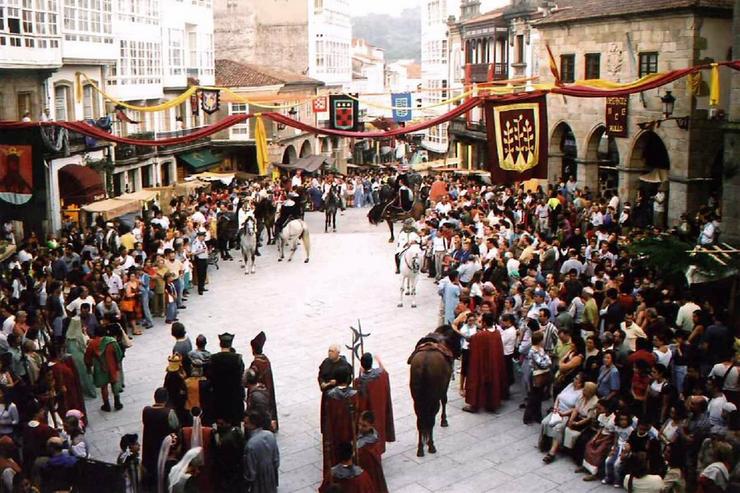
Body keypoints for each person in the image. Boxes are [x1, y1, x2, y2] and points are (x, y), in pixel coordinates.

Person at [463, 312, 508, 413]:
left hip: (482, 364)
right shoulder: (496, 333)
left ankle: (474, 404)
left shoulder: (480, 335)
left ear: (483, 322)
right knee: (494, 381)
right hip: (494, 364)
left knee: (476, 379)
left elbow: (471, 342)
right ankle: (492, 404)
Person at [320, 365, 358, 477]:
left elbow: (327, 418)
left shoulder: (330, 396)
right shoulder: (355, 395)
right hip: (350, 433)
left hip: (335, 433)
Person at [354, 353, 395, 452]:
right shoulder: (382, 375)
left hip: (368, 414)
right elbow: (384, 372)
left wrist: (360, 375)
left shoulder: (360, 382)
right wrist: (379, 361)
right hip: (380, 409)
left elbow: (359, 400)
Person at [141, 388, 179, 489]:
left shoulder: (146, 410)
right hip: (164, 448)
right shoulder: (169, 413)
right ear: (166, 399)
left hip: (149, 446)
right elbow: (175, 427)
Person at [206, 333, 245, 425]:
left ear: (220, 344)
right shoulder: (238, 359)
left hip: (218, 395)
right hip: (234, 395)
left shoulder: (213, 358)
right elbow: (241, 375)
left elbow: (209, 375)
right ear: (230, 344)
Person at [84, 324, 124, 412]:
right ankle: (117, 403)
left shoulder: (92, 344)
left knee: (104, 387)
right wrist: (117, 363)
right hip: (112, 365)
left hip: (100, 368)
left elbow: (87, 357)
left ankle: (106, 405)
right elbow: (119, 354)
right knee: (114, 383)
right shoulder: (112, 341)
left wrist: (89, 366)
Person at [242, 409, 279, 493]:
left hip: (258, 479)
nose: (244, 425)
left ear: (253, 425)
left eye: (246, 423)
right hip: (270, 475)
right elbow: (276, 458)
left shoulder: (250, 445)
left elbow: (251, 471)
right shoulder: (270, 435)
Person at [248, 331, 278, 431]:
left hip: (259, 392)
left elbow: (250, 378)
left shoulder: (256, 363)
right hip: (267, 391)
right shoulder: (265, 360)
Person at [356, 411, 388, 493]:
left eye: (364, 426)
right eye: (359, 424)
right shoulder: (361, 434)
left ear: (371, 425)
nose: (360, 427)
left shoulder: (369, 443)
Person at [191, 230, 209, 296]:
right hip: (199, 260)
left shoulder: (202, 242)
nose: (204, 238)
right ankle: (200, 289)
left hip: (204, 259)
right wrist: (201, 251)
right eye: (203, 236)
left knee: (204, 274)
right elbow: (193, 252)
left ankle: (202, 286)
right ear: (199, 236)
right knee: (200, 274)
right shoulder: (195, 243)